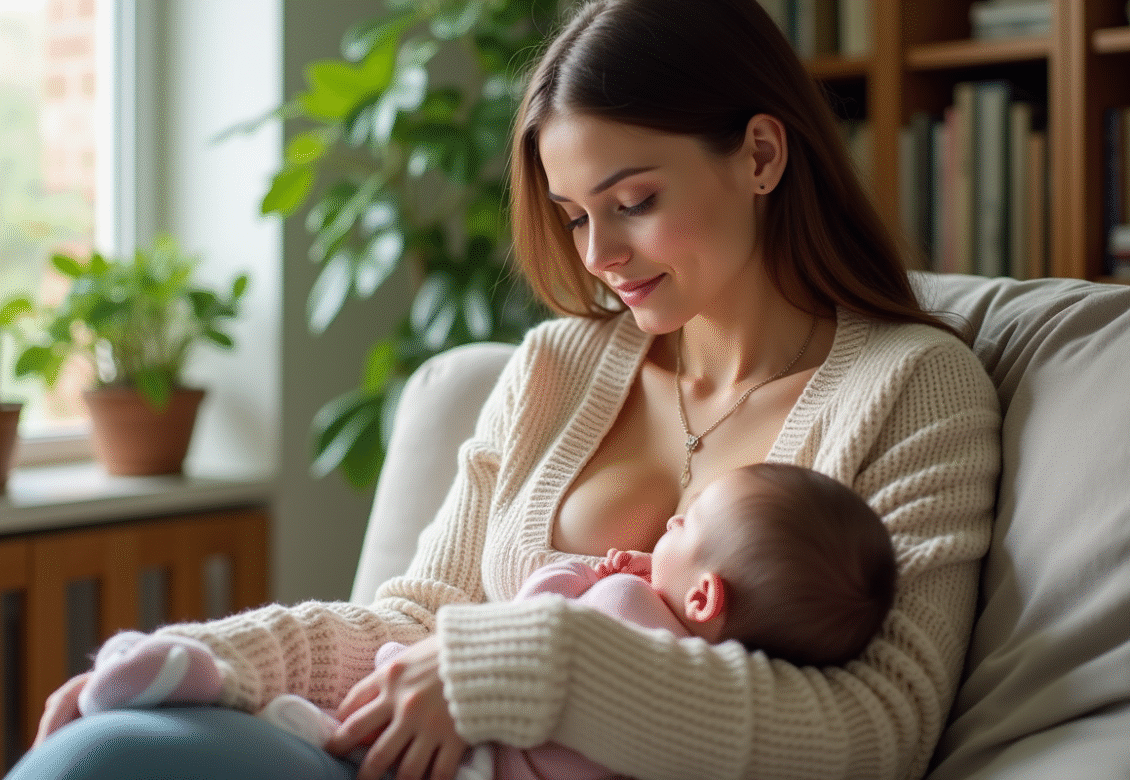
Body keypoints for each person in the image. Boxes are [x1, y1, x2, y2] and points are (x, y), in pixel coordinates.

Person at [13, 0, 1001, 778]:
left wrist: (533, 669)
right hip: (406, 760)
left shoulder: (916, 388)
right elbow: (422, 620)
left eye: (634, 201)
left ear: (760, 154)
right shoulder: (556, 370)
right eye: (574, 216)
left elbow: (879, 730)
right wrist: (220, 662)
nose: (601, 255)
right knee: (107, 751)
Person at [231, 462, 896, 780]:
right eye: (575, 217)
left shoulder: (627, 605)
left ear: (702, 599)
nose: (668, 520)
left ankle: (316, 730)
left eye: (684, 525)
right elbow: (416, 612)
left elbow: (527, 617)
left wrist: (587, 573)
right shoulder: (708, 675)